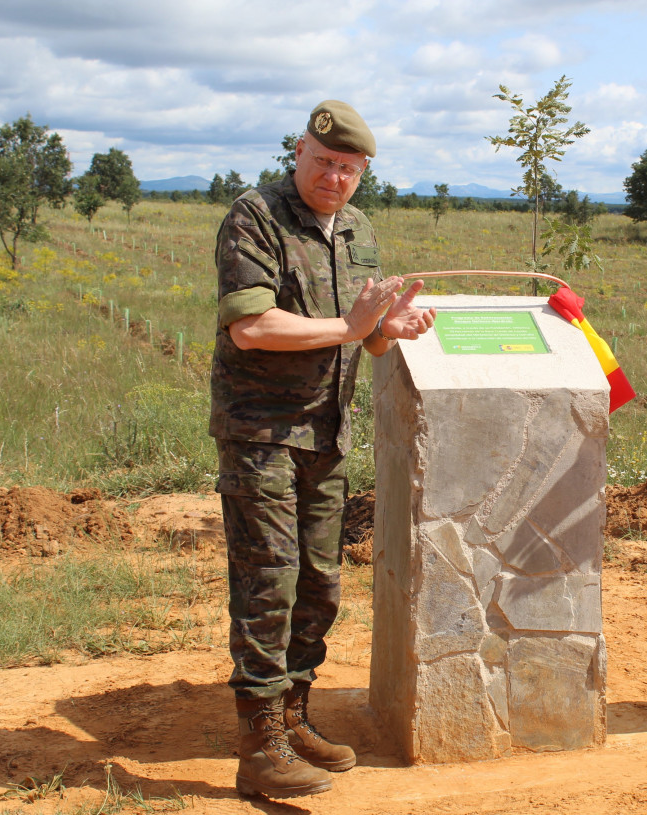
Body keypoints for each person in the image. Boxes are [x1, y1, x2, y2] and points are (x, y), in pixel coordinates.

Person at [210, 100, 436, 798]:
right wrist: (348, 326)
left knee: (319, 583)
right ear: (298, 153)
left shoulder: (359, 231)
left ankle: (293, 714)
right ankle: (260, 744)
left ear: (363, 172)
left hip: (325, 435)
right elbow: (251, 326)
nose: (334, 177)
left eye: (349, 168)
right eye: (324, 161)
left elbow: (360, 335)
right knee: (268, 582)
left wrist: (385, 328)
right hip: (263, 434)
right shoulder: (255, 216)